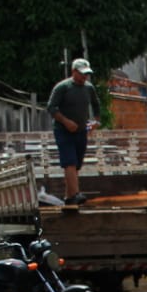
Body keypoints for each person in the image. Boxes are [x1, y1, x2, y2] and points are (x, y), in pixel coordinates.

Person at [46, 58, 101, 205]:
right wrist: (65, 121)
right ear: (74, 72)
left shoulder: (89, 88)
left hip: (81, 131)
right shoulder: (63, 87)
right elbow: (51, 108)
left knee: (76, 164)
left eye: (86, 74)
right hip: (63, 131)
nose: (85, 77)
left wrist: (96, 121)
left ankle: (69, 197)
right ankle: (75, 194)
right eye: (82, 74)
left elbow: (97, 106)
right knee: (69, 162)